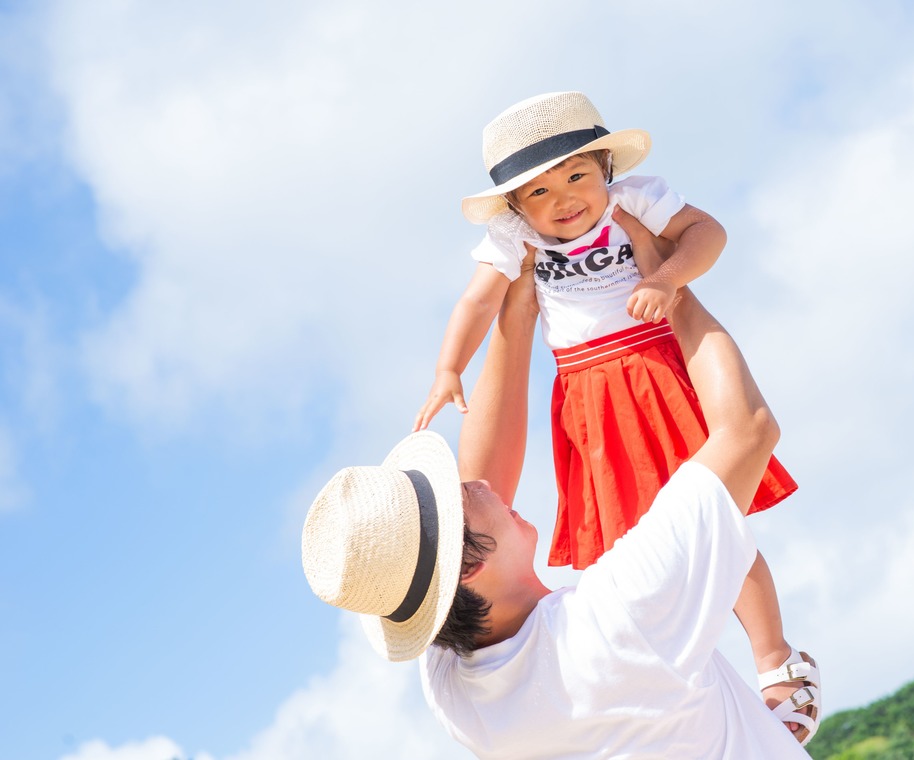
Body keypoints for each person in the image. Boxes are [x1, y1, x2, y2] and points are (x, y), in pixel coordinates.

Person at [302, 222, 821, 757]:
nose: (477, 482)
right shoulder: (620, 615)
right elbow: (749, 430)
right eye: (459, 494)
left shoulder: (456, 686)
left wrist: (521, 303)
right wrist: (666, 280)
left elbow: (467, 508)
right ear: (468, 567)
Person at [410, 92, 808, 722]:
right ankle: (695, 662)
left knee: (713, 514)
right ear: (515, 206)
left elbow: (708, 233)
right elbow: (478, 301)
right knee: (635, 535)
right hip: (586, 389)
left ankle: (774, 654)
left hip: (651, 357)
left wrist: (667, 277)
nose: (563, 199)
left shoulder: (635, 200)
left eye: (576, 177)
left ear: (606, 170)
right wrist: (448, 366)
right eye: (538, 193)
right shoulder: (514, 239)